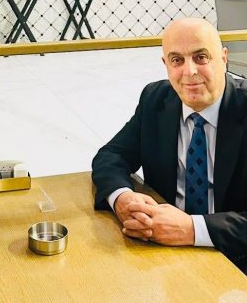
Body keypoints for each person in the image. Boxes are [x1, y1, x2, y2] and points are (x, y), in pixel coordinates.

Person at [92, 17, 247, 273]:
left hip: (236, 262)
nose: (189, 72)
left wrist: (192, 229)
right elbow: (111, 156)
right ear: (166, 64)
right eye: (177, 60)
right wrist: (123, 198)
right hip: (163, 256)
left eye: (201, 57)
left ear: (223, 58)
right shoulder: (156, 99)